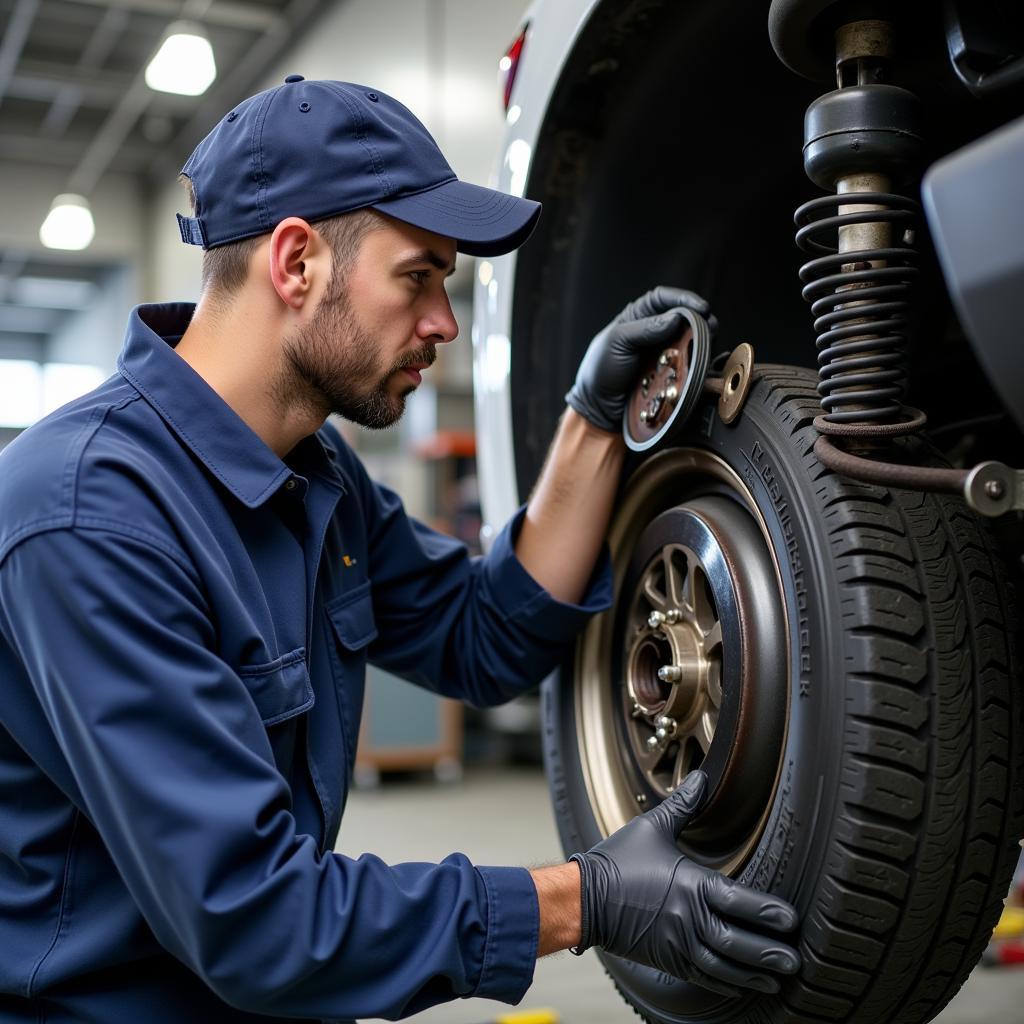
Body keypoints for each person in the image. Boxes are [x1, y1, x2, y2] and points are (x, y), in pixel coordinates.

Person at [0, 78, 800, 1023]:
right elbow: (257, 921)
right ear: (295, 261)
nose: (445, 325)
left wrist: (590, 423)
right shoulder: (89, 516)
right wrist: (581, 900)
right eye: (417, 277)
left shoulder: (316, 475)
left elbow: (487, 633)